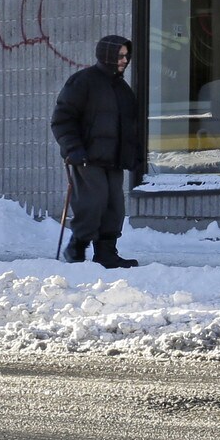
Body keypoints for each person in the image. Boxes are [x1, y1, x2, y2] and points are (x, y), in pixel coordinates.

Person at [50, 34, 145, 268]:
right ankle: (77, 247)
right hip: (86, 157)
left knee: (114, 206)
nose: (124, 60)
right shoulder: (83, 82)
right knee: (93, 203)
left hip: (113, 160)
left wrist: (135, 156)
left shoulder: (123, 90)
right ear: (107, 55)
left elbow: (130, 128)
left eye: (126, 55)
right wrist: (73, 149)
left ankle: (106, 253)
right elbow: (62, 119)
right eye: (120, 55)